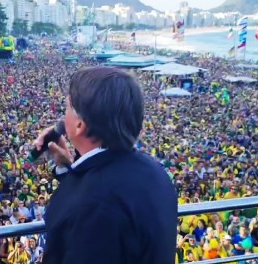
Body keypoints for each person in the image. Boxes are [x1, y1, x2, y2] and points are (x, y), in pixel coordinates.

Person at [34, 66, 178, 263]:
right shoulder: (156, 174)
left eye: (67, 107)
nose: (62, 115)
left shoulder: (88, 206)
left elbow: (91, 207)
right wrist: (67, 167)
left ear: (79, 125)